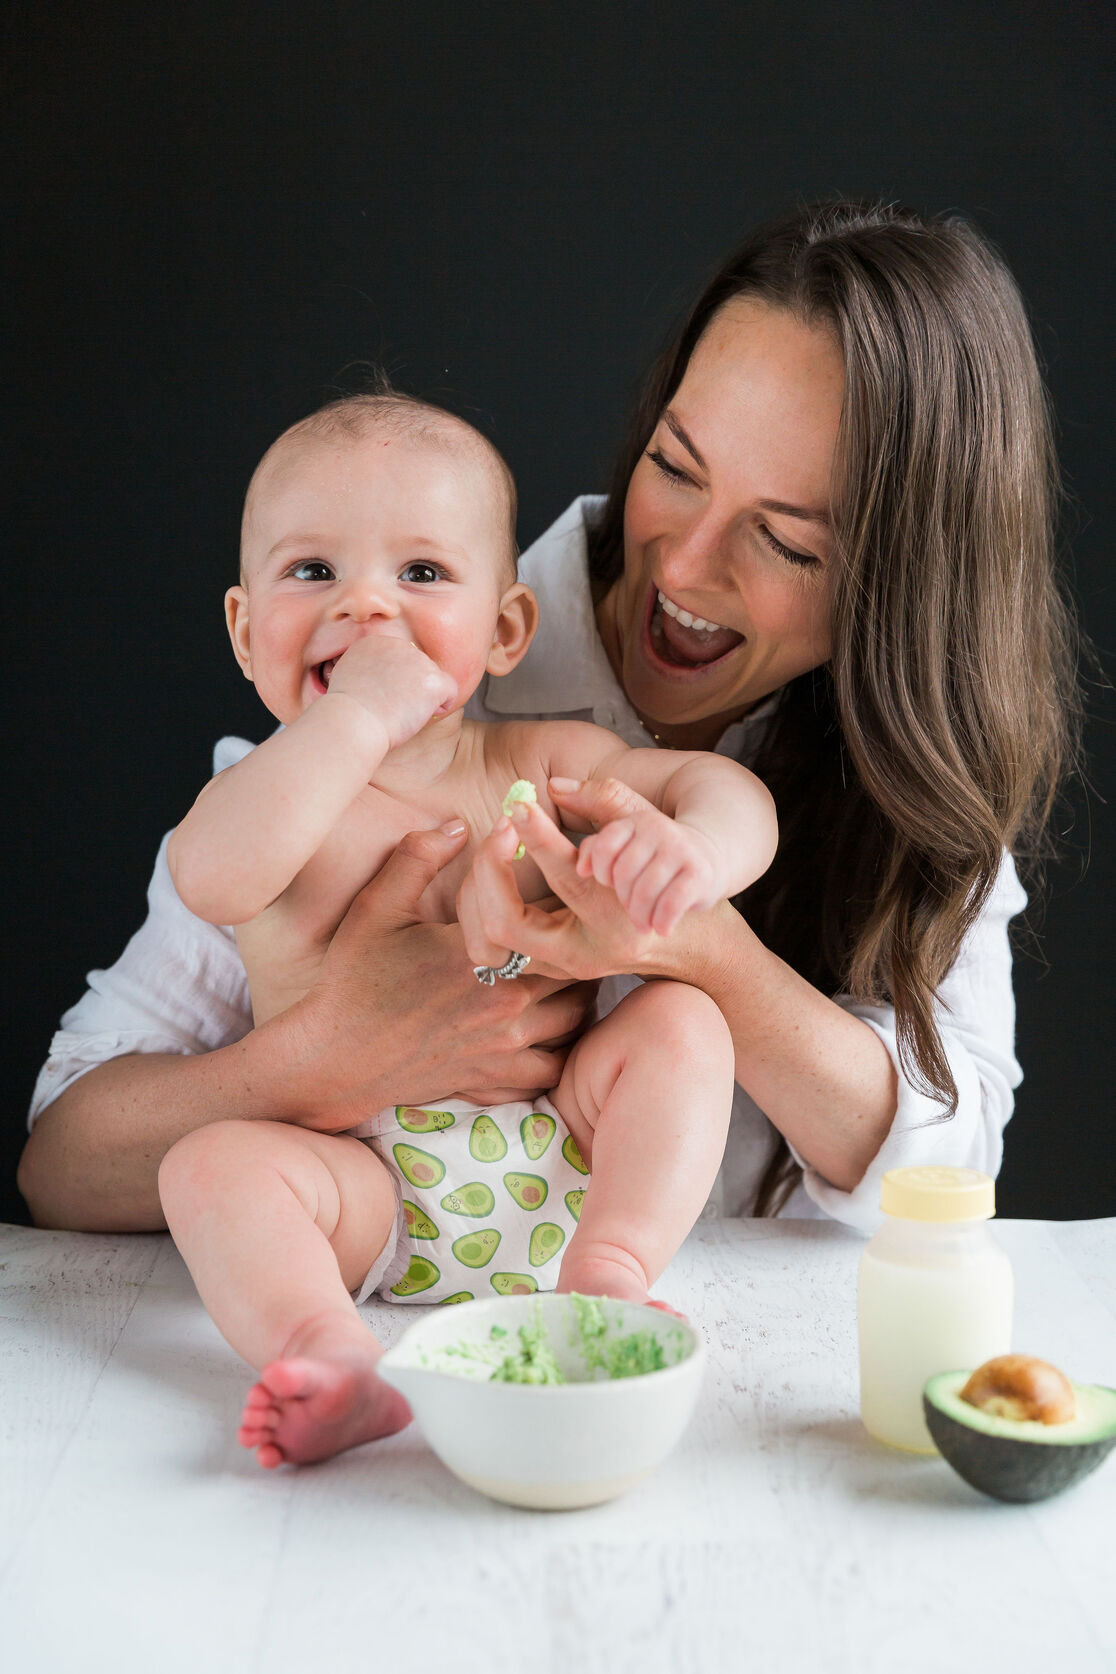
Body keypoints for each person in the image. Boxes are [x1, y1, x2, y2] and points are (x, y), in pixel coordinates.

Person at [21, 198, 1076, 1261]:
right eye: (675, 468)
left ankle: (610, 1262)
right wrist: (319, 1058)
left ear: (897, 587)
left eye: (788, 543)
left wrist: (698, 936)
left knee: (678, 1029)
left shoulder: (841, 771)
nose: (682, 565)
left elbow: (950, 1167)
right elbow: (62, 1163)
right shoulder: (353, 730)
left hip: (688, 1328)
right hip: (384, 1255)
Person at [154, 394, 774, 1464]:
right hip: (358, 1189)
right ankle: (327, 1351)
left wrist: (699, 851)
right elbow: (209, 878)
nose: (366, 608)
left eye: (422, 572)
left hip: (563, 1151)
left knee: (684, 1024)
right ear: (247, 632)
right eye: (314, 571)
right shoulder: (265, 801)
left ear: (504, 631)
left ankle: (612, 1273)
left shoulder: (543, 762)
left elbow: (716, 787)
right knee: (207, 1168)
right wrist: (358, 717)